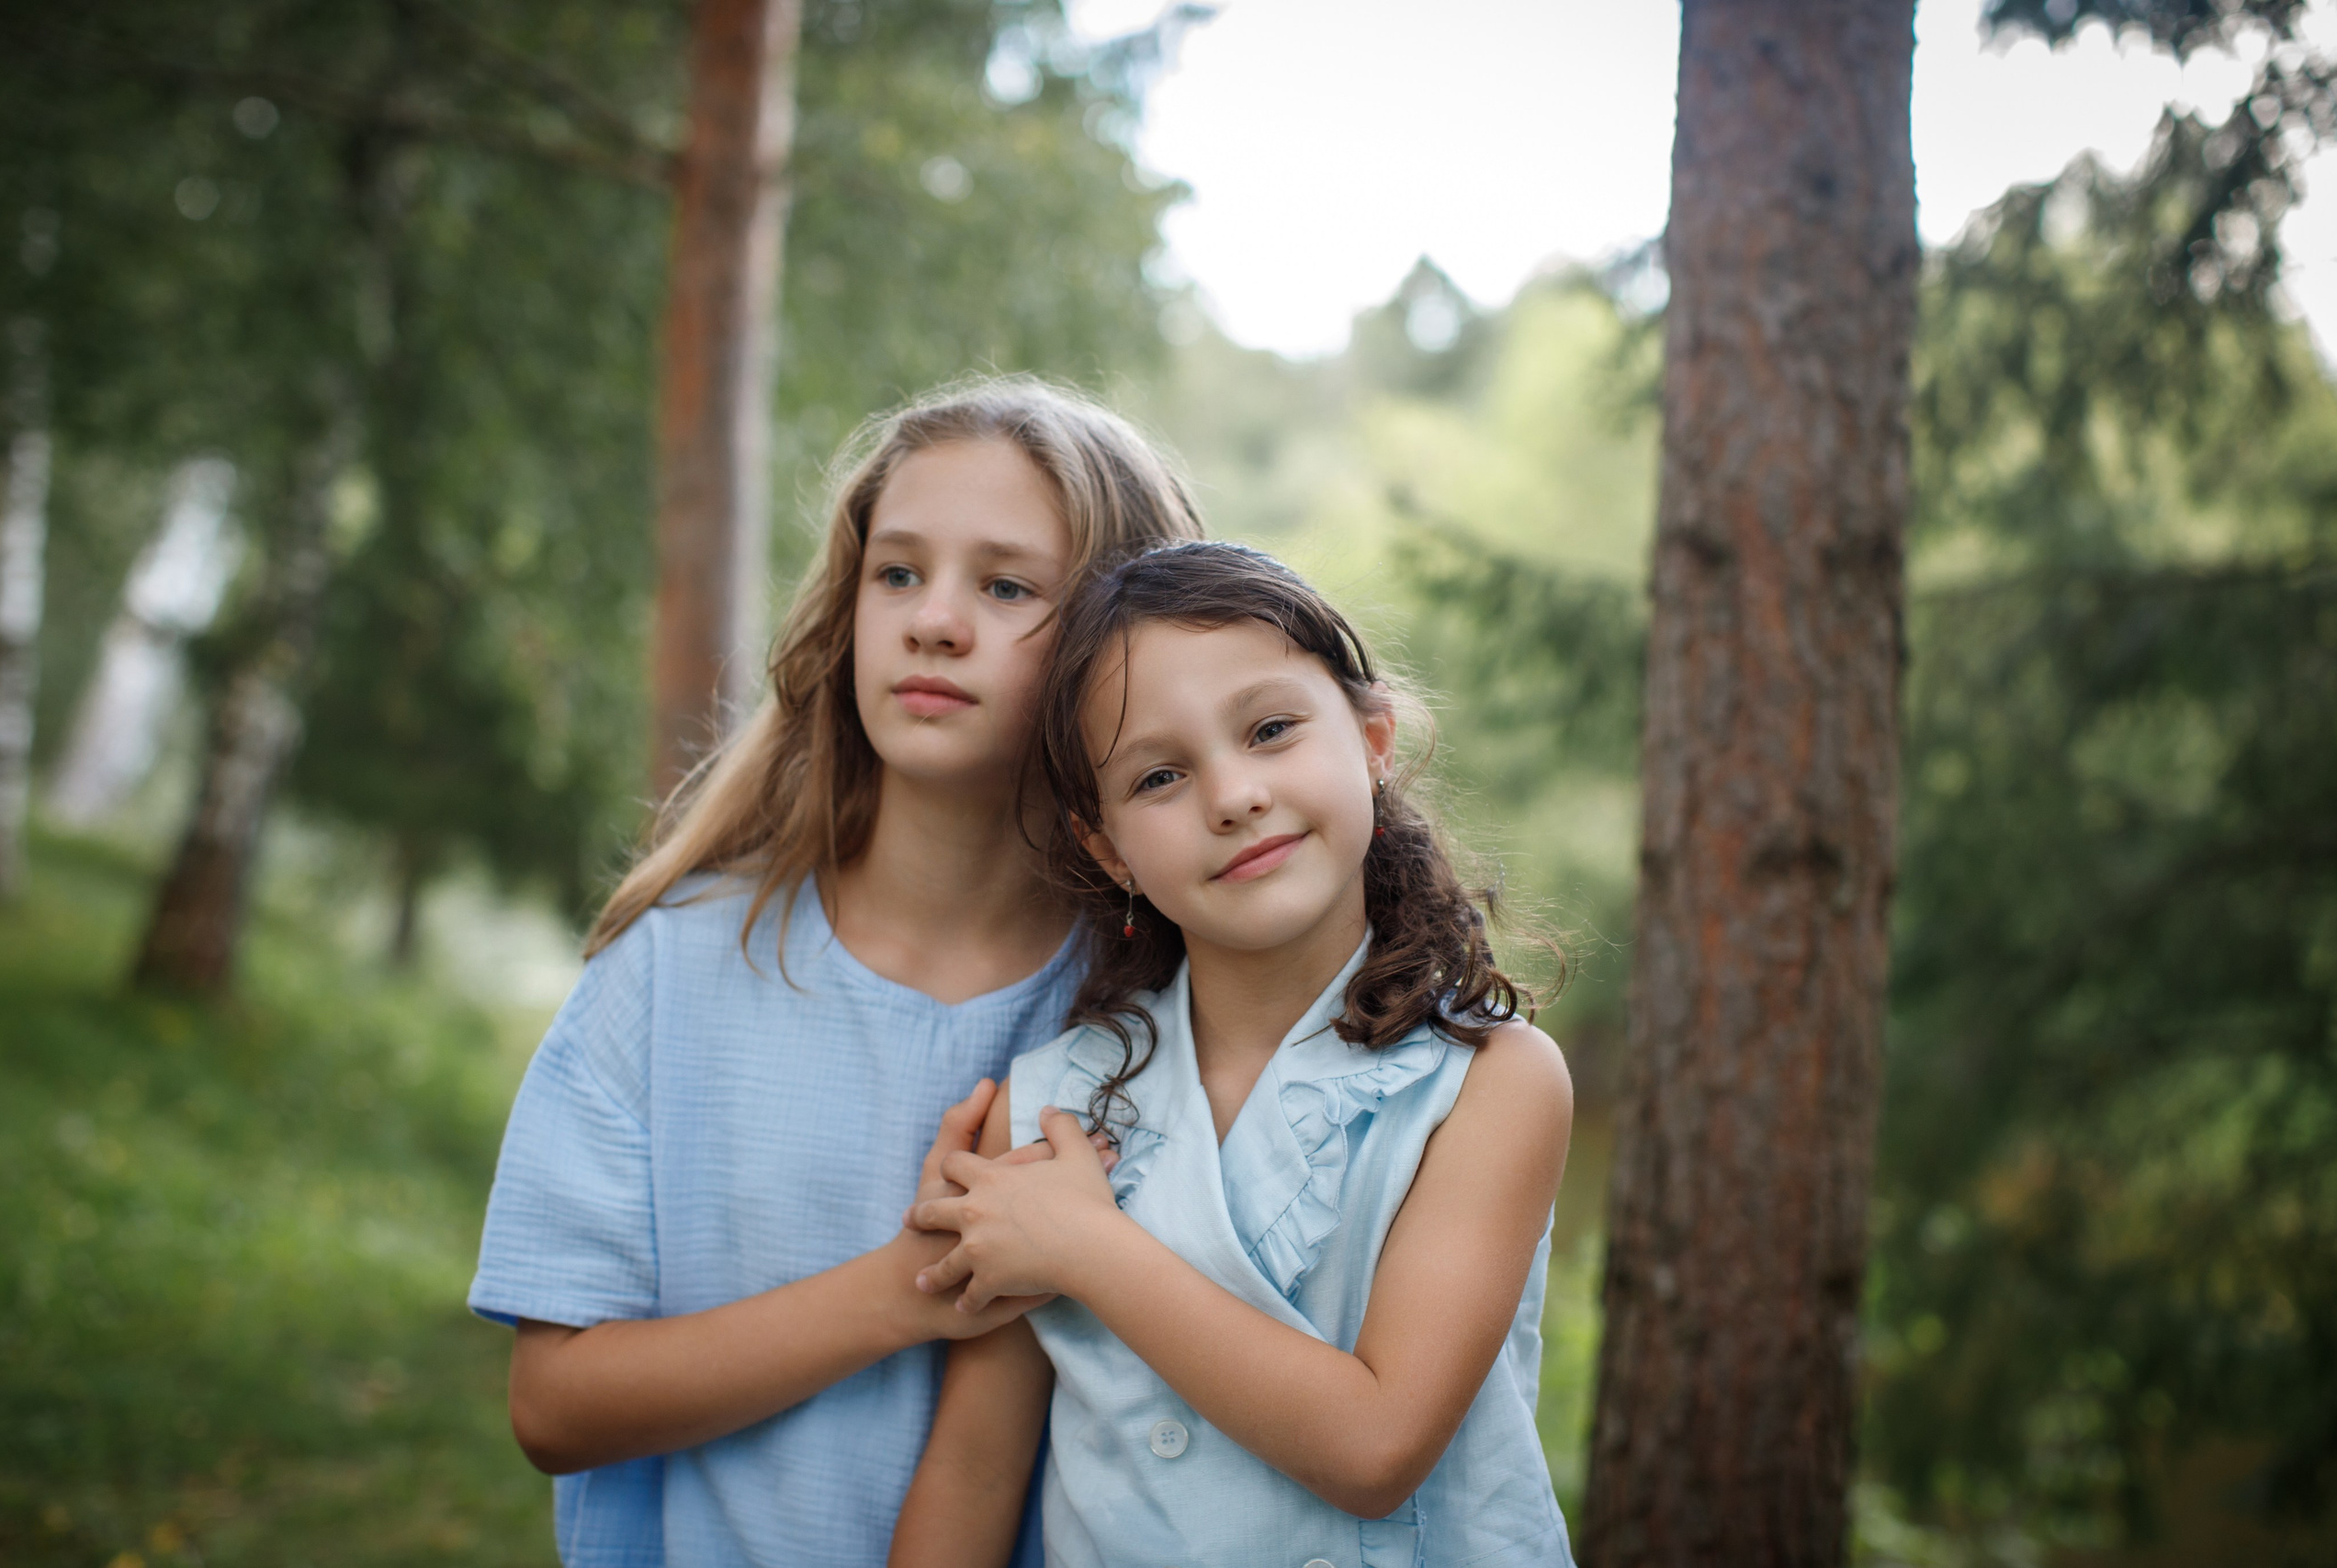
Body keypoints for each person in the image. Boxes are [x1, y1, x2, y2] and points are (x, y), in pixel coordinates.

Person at [467, 378, 1204, 1566]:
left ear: (1118, 646)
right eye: (897, 572)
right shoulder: (675, 967)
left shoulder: (1160, 1009)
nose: (934, 621)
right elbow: (555, 1406)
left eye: (1006, 586)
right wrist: (907, 1288)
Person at [889, 540, 1579, 1567]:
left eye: (1269, 730)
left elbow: (1376, 1448)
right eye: (1159, 776)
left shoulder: (1490, 1080)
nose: (1231, 795)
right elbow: (975, 1475)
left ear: (1374, 739)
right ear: (1109, 848)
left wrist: (1088, 1248)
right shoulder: (1048, 1111)